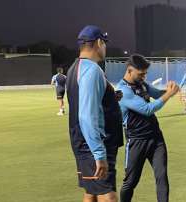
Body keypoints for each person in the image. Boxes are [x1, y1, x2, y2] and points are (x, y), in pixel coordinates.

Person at [66, 25, 124, 202]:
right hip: (95, 144)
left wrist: (111, 98)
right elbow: (87, 114)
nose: (105, 47)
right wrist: (99, 154)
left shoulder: (74, 68)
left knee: (91, 191)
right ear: (99, 43)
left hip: (84, 142)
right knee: (108, 195)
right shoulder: (92, 70)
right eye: (104, 43)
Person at [117, 54, 179, 202]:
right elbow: (147, 109)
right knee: (131, 181)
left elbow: (157, 94)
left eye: (145, 73)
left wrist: (170, 90)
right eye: (141, 73)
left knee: (161, 176)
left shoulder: (142, 84)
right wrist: (168, 95)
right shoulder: (122, 91)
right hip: (137, 141)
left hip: (156, 138)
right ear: (130, 70)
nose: (144, 76)